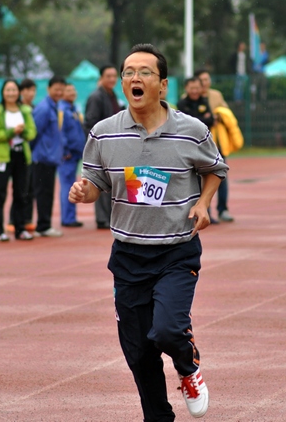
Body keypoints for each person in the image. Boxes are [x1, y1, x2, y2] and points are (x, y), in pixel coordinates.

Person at [69, 43, 227, 420]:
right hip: (128, 255)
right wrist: (83, 191)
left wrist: (203, 203)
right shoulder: (104, 133)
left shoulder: (192, 130)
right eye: (128, 72)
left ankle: (188, 368)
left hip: (176, 251)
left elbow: (216, 169)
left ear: (163, 85)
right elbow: (93, 180)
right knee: (139, 352)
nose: (134, 78)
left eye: (144, 72)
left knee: (169, 331)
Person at [0, 79, 37, 242]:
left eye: (14, 90)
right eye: (8, 90)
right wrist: (11, 132)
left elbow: (31, 133)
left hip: (21, 156)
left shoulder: (24, 110)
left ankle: (20, 229)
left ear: (19, 92)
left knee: (21, 193)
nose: (11, 93)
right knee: (0, 193)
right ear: (3, 92)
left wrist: (22, 133)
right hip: (3, 156)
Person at [84, 64, 122, 229]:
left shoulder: (113, 95)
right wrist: (97, 145)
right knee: (100, 182)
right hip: (102, 146)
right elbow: (89, 124)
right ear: (101, 77)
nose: (112, 79)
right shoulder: (96, 97)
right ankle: (102, 219)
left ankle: (109, 216)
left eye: (115, 76)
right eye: (109, 76)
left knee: (113, 181)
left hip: (115, 146)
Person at [31, 76, 67, 238]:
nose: (59, 92)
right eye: (56, 89)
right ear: (48, 89)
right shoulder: (44, 108)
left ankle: (44, 224)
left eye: (61, 89)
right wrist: (33, 154)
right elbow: (33, 133)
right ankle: (42, 226)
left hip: (50, 158)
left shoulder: (54, 107)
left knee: (47, 192)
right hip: (42, 158)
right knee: (43, 193)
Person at [196, 69, 233, 223]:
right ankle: (205, 210)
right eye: (202, 80)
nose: (205, 82)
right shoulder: (191, 97)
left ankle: (223, 209)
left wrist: (217, 116)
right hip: (199, 146)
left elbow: (226, 113)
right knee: (200, 180)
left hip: (217, 144)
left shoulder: (216, 95)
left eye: (207, 79)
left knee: (221, 175)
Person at [8, 78, 38, 233]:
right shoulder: (16, 109)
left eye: (33, 90)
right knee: (19, 188)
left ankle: (26, 219)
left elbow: (33, 132)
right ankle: (13, 219)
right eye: (28, 90)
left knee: (29, 188)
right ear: (21, 92)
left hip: (31, 154)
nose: (31, 94)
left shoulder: (34, 108)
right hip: (16, 153)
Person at [59, 83, 86, 227]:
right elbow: (60, 131)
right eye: (68, 90)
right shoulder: (62, 110)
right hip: (67, 155)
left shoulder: (74, 109)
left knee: (72, 185)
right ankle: (67, 218)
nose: (72, 92)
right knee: (67, 185)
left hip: (76, 153)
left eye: (73, 90)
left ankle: (71, 216)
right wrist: (64, 151)